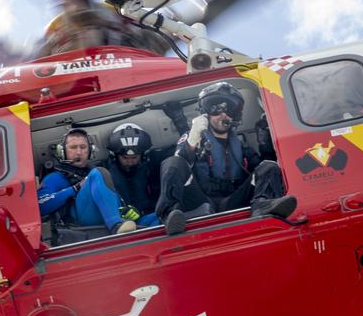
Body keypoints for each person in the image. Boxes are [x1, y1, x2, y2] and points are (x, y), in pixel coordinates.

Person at [156, 82, 296, 235]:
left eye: (229, 111)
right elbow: (181, 162)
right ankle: (169, 214)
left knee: (269, 166)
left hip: (233, 200)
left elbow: (263, 170)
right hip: (200, 201)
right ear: (206, 113)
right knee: (172, 162)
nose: (223, 115)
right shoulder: (193, 137)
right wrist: (193, 138)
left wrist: (266, 142)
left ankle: (261, 205)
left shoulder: (240, 146)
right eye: (216, 110)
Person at [38, 128, 139, 237]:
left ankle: (119, 223)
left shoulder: (99, 176)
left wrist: (127, 210)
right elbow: (40, 206)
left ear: (90, 150)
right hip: (79, 226)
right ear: (62, 151)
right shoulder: (55, 177)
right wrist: (74, 189)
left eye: (83, 147)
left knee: (154, 219)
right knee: (99, 172)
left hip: (110, 222)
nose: (79, 152)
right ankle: (115, 225)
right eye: (73, 147)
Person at [103, 122, 166, 220]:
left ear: (143, 155)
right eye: (125, 157)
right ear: (115, 155)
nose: (130, 161)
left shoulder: (153, 165)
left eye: (134, 157)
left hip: (152, 217)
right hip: (123, 222)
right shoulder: (105, 173)